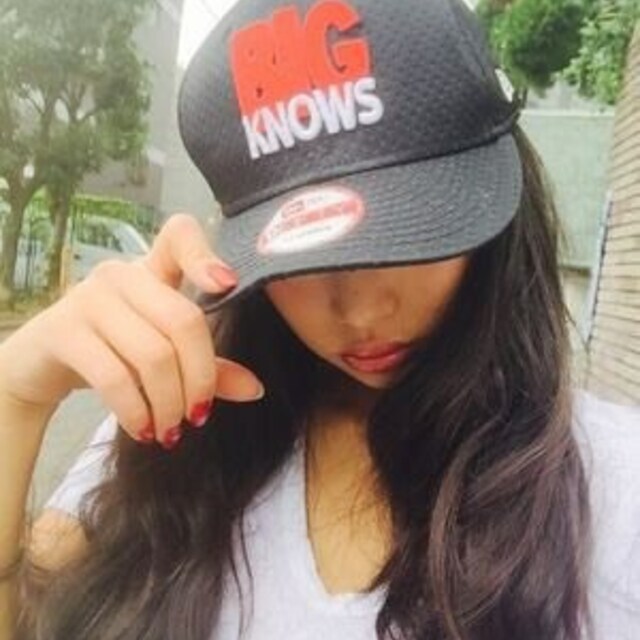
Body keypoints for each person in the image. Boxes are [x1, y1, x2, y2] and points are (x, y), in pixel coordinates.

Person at [0, 0, 638, 638]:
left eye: (413, 229)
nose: (360, 310)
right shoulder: (175, 415)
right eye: (302, 256)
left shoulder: (616, 490)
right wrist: (16, 398)